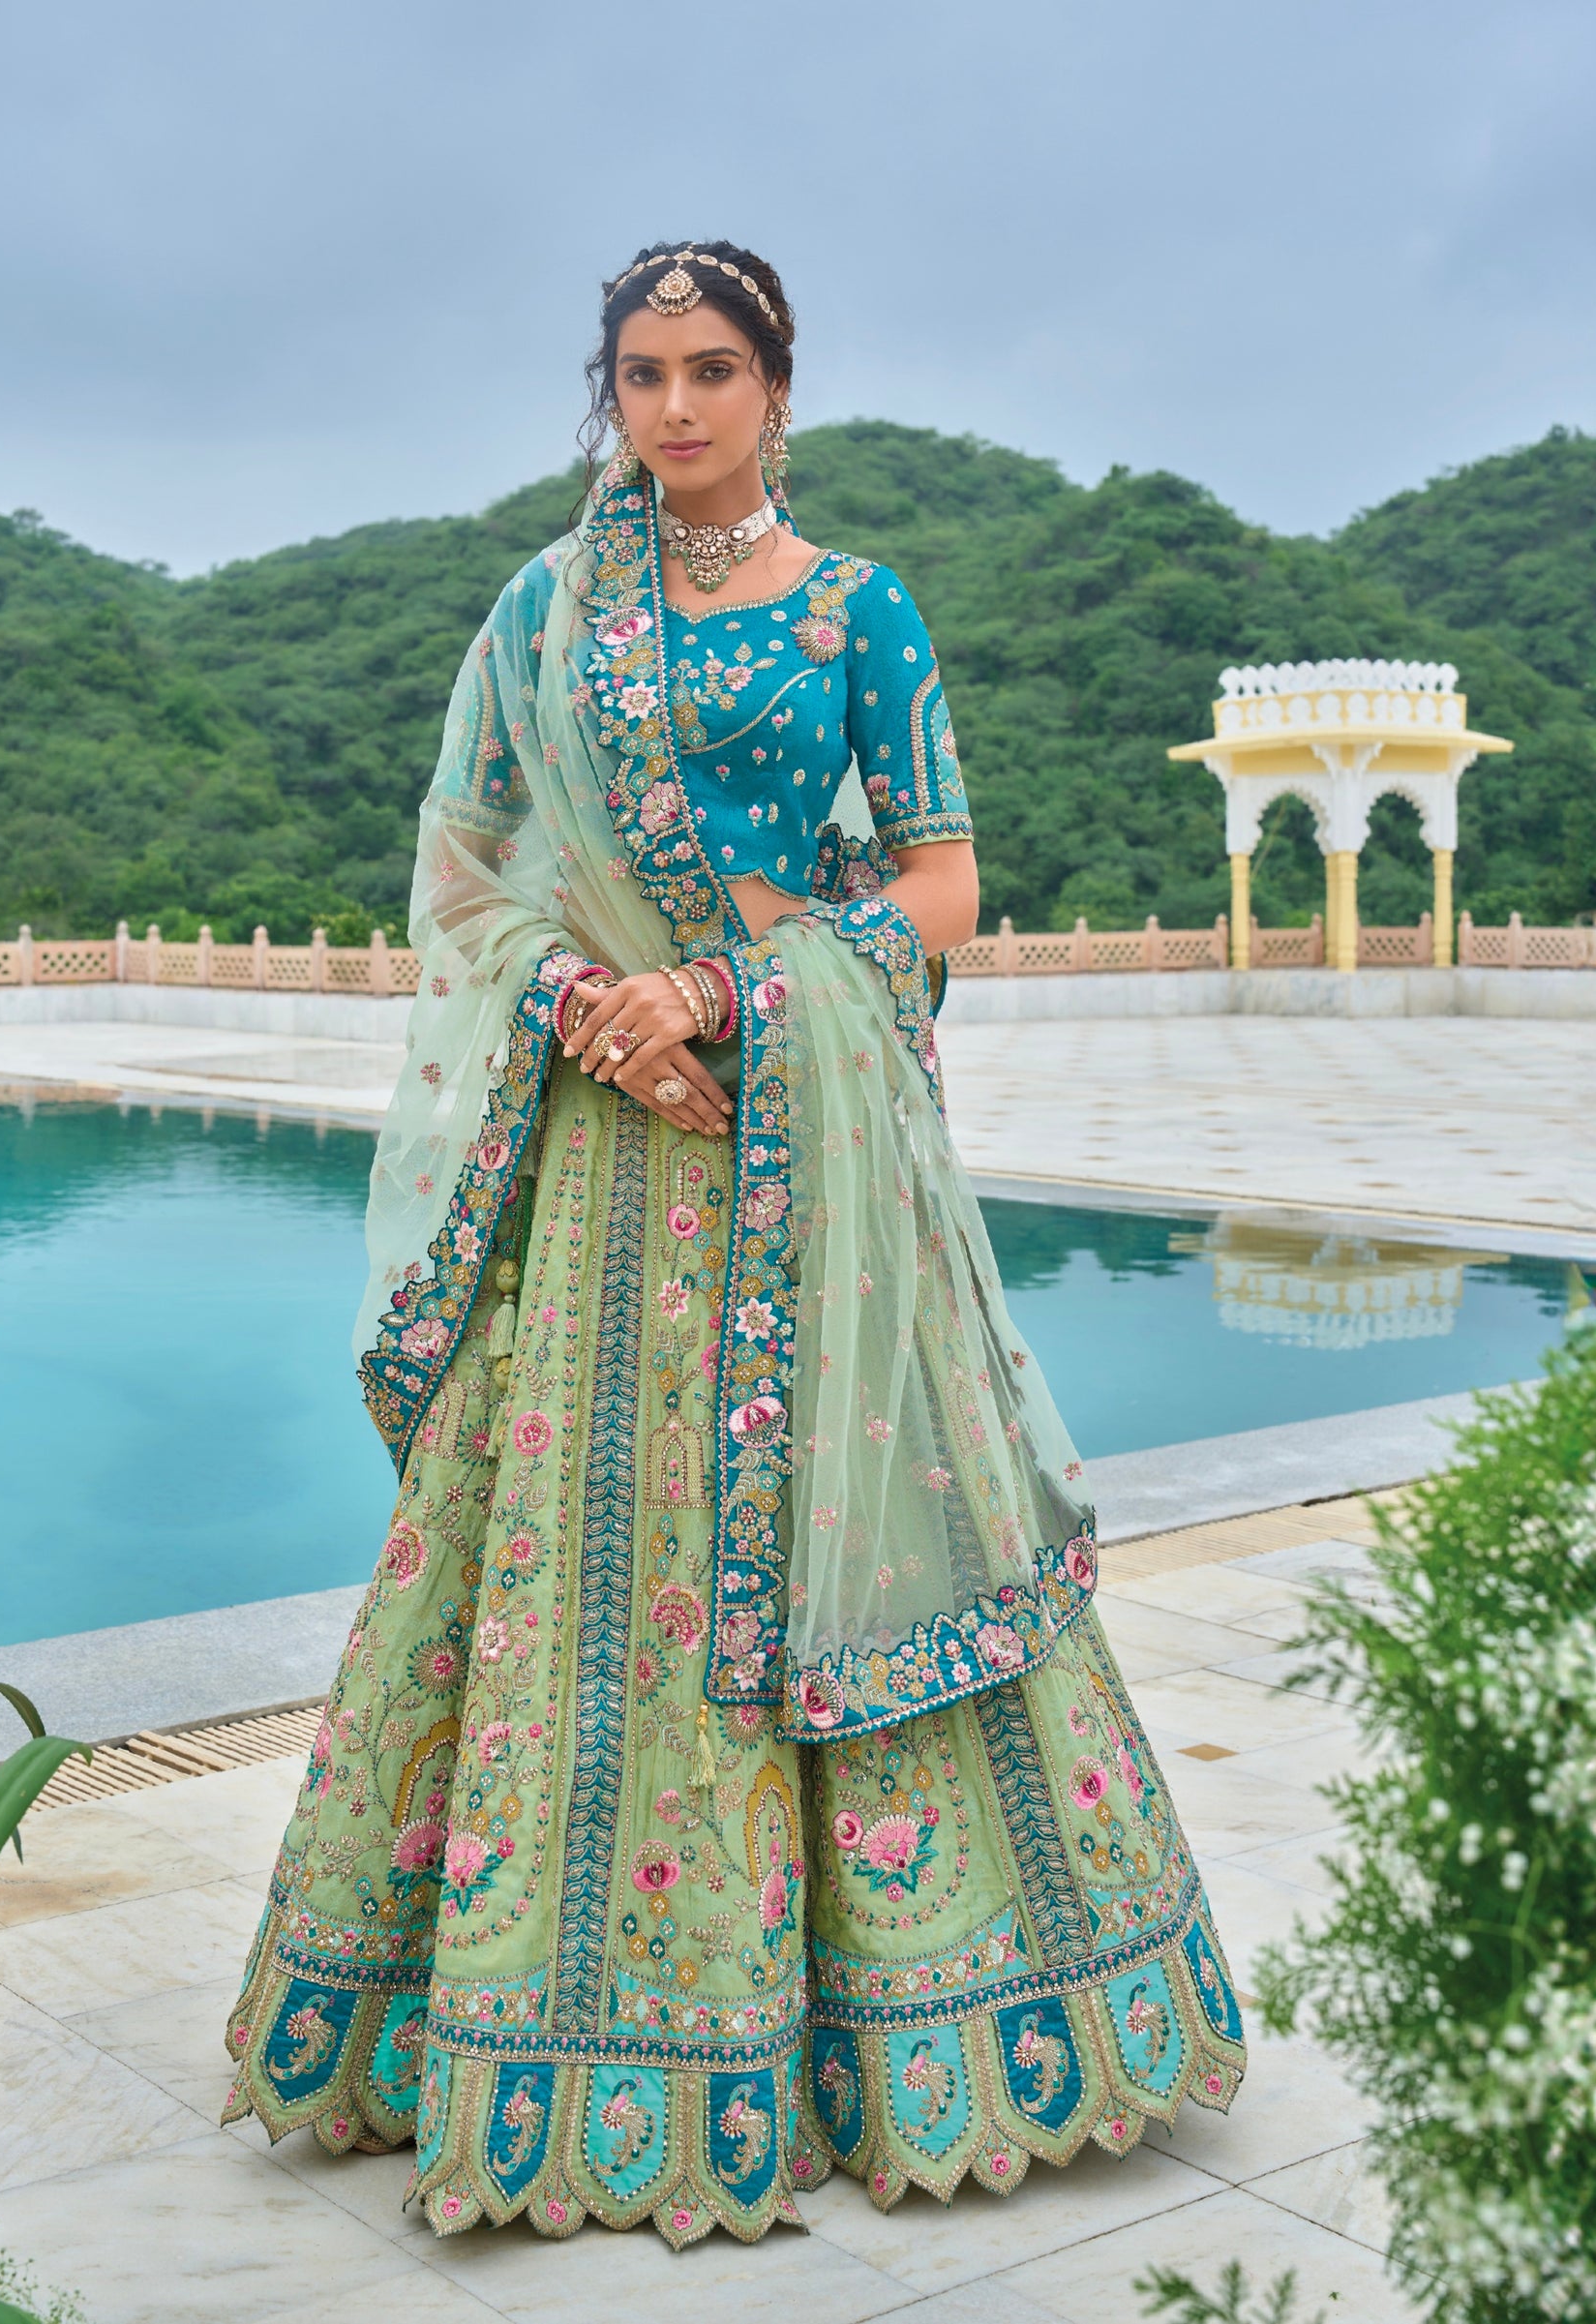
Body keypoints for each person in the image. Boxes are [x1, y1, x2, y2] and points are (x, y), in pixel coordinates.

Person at [224, 241, 1245, 2247]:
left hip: (805, 1176)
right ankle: (533, 2044)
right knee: (575, 1562)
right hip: (595, 1177)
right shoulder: (545, 614)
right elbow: (461, 877)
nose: (671, 409)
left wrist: (733, 999)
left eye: (708, 371)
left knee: (833, 1538)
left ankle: (917, 2035)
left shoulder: (865, 613)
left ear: (779, 388)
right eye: (636, 374)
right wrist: (585, 1001)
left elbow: (941, 888)